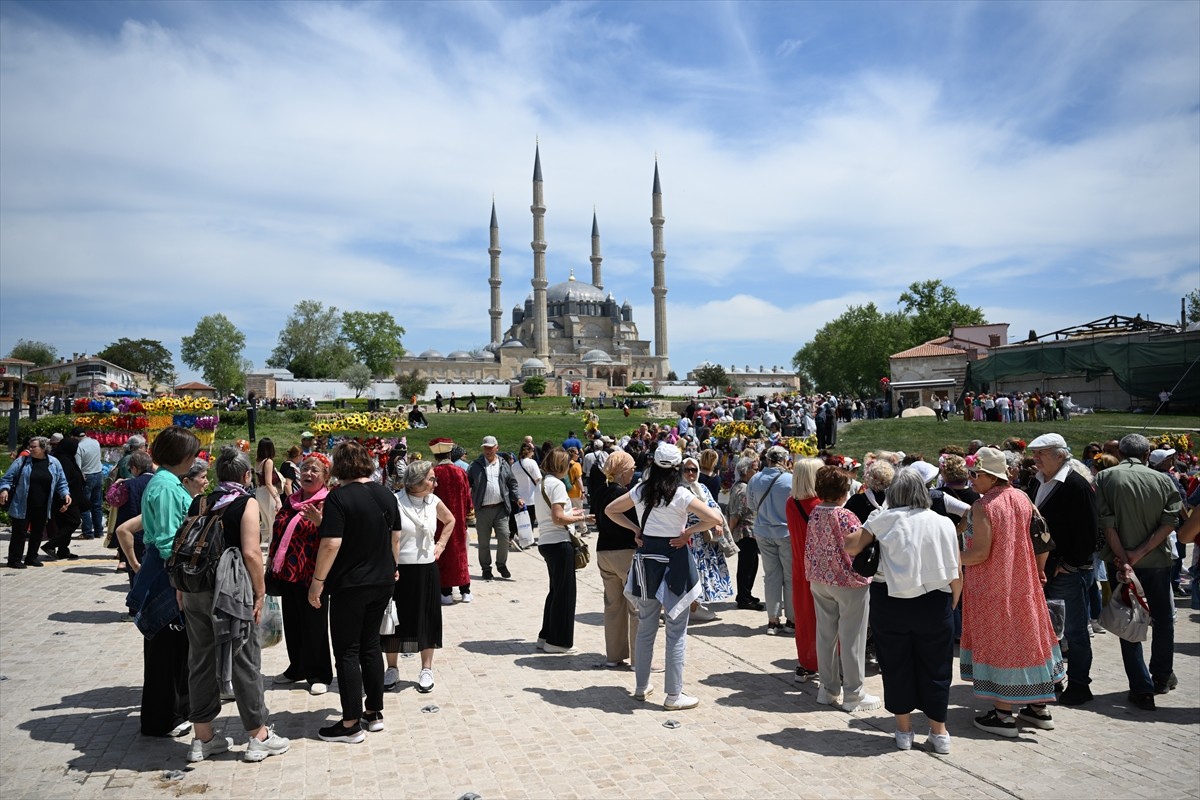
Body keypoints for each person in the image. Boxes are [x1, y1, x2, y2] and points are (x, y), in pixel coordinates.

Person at [179, 446, 290, 763]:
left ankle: (203, 738)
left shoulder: (201, 501)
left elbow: (187, 545)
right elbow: (252, 553)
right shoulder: (246, 503)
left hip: (195, 589)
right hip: (232, 591)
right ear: (245, 476)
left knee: (200, 660)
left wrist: (180, 588)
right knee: (245, 661)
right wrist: (260, 591)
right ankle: (258, 736)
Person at [845, 468, 961, 754]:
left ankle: (904, 730)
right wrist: (954, 600)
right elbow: (956, 567)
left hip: (890, 600)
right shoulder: (942, 521)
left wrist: (869, 524)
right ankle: (939, 732)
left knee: (896, 664)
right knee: (937, 666)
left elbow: (851, 546)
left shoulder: (882, 519)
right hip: (935, 600)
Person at [604, 443, 724, 710]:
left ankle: (641, 685)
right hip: (674, 561)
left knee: (646, 626)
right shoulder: (681, 495)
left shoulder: (640, 490)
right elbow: (715, 518)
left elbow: (610, 510)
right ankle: (673, 694)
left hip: (647, 560)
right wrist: (689, 533)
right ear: (678, 468)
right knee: (676, 631)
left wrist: (636, 529)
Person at [960, 447, 1065, 737]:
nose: (970, 480)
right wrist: (1039, 569)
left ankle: (1004, 713)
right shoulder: (1022, 497)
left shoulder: (984, 506)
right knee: (1027, 637)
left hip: (993, 585)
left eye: (974, 474)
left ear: (988, 476)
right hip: (1023, 580)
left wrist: (951, 557)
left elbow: (980, 553)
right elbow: (1042, 536)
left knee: (1001, 641)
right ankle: (1037, 707)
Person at [308, 440, 401, 743]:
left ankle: (349, 724)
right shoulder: (386, 494)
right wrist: (393, 566)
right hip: (382, 579)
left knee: (347, 650)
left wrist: (317, 581)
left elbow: (331, 543)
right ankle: (373, 712)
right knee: (371, 645)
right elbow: (394, 537)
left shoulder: (339, 498)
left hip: (351, 583)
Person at [1096, 433, 1183, 710]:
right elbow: (1170, 522)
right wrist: (1141, 552)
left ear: (1120, 453)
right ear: (1147, 455)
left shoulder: (1105, 478)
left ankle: (1141, 687)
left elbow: (1107, 524)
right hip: (1156, 562)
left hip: (1121, 561)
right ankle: (1161, 676)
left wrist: (1124, 559)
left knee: (1128, 622)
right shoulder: (1163, 479)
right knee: (1163, 620)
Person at [132, 427, 203, 743]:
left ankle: (175, 711)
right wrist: (182, 576)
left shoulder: (167, 483)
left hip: (170, 574)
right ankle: (161, 718)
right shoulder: (164, 487)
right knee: (165, 653)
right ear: (185, 457)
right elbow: (165, 540)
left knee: (176, 652)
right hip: (166, 578)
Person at [1026, 433, 1099, 706]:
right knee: (1047, 630)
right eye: (1034, 453)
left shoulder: (1077, 485)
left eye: (1041, 453)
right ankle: (1052, 680)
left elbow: (1088, 532)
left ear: (1060, 455)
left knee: (1075, 631)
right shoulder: (1037, 481)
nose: (1035, 458)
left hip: (1065, 571)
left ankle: (1080, 684)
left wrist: (1069, 564)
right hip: (1042, 568)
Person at [805, 466, 878, 711]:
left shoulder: (815, 512)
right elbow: (854, 546)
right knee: (852, 638)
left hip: (820, 578)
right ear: (843, 490)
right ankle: (854, 693)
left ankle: (827, 689)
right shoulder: (845, 515)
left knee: (825, 635)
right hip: (847, 582)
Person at [383, 461, 453, 692]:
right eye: (431, 479)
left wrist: (441, 545)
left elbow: (450, 520)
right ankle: (392, 667)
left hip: (426, 568)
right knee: (394, 619)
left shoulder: (433, 501)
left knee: (427, 618)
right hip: (399, 569)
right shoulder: (395, 501)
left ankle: (426, 668)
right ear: (417, 481)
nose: (435, 483)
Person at [267, 454, 334, 696]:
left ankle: (320, 674)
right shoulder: (291, 500)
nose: (308, 474)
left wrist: (320, 522)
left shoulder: (329, 502)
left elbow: (335, 538)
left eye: (315, 470)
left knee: (314, 625)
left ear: (326, 477)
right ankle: (297, 668)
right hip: (288, 573)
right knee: (293, 623)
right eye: (305, 469)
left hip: (313, 574)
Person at [533, 447, 587, 653]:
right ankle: (558, 641)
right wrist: (582, 517)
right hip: (559, 542)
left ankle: (546, 635)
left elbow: (553, 513)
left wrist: (570, 512)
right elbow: (558, 518)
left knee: (556, 591)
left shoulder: (543, 483)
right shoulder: (556, 485)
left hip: (547, 541)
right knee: (565, 594)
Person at [592, 450, 639, 668]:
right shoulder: (622, 494)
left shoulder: (601, 490)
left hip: (604, 551)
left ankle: (614, 655)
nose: (633, 472)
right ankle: (640, 658)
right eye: (631, 468)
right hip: (624, 552)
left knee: (613, 606)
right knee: (637, 605)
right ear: (622, 471)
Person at [0, 436, 72, 568]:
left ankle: (32, 557)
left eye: (34, 447)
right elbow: (7, 478)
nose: (30, 449)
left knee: (38, 532)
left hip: (43, 505)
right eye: (30, 446)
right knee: (19, 533)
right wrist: (4, 490)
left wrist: (65, 494)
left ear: (44, 448)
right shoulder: (22, 461)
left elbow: (61, 481)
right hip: (22, 504)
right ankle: (14, 560)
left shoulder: (53, 463)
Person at [746, 446, 794, 635]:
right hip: (785, 532)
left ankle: (772, 620)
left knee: (771, 577)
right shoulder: (790, 479)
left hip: (763, 531)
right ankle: (791, 620)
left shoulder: (755, 479)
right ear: (784, 459)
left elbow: (751, 505)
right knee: (789, 577)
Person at [682, 455, 733, 623]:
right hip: (687, 537)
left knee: (702, 572)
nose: (690, 473)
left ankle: (695, 605)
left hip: (704, 538)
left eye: (694, 469)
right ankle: (691, 607)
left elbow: (714, 507)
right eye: (687, 469)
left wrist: (716, 522)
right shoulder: (678, 489)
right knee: (690, 572)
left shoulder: (701, 488)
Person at [467, 435, 523, 580]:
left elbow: (512, 483)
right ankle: (486, 568)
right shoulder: (475, 465)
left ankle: (501, 564)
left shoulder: (504, 464)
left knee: (504, 537)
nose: (488, 450)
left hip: (501, 508)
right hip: (483, 509)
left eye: (491, 447)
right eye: (485, 447)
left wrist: (517, 498)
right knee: (484, 542)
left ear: (497, 448)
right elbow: (468, 484)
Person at [429, 438, 472, 605]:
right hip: (459, 519)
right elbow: (468, 496)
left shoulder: (433, 473)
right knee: (460, 553)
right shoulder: (460, 472)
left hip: (438, 520)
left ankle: (445, 592)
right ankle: (465, 590)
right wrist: (468, 513)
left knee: (442, 553)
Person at [727, 456, 763, 611]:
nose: (757, 471)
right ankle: (744, 598)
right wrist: (729, 534)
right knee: (747, 566)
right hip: (745, 533)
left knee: (751, 564)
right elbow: (736, 514)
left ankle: (746, 595)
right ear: (746, 471)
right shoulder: (743, 489)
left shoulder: (742, 486)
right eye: (754, 469)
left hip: (750, 533)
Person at [513, 441, 543, 540]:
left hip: (519, 497)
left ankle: (521, 536)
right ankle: (528, 538)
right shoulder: (532, 463)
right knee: (531, 519)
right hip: (532, 496)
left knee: (521, 520)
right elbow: (538, 479)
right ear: (529, 451)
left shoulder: (514, 465)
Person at [254, 438, 282, 543]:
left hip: (259, 492)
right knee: (273, 522)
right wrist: (277, 499)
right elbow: (269, 483)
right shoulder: (268, 462)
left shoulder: (258, 461)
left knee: (265, 523)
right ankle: (272, 549)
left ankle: (256, 543)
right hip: (268, 493)